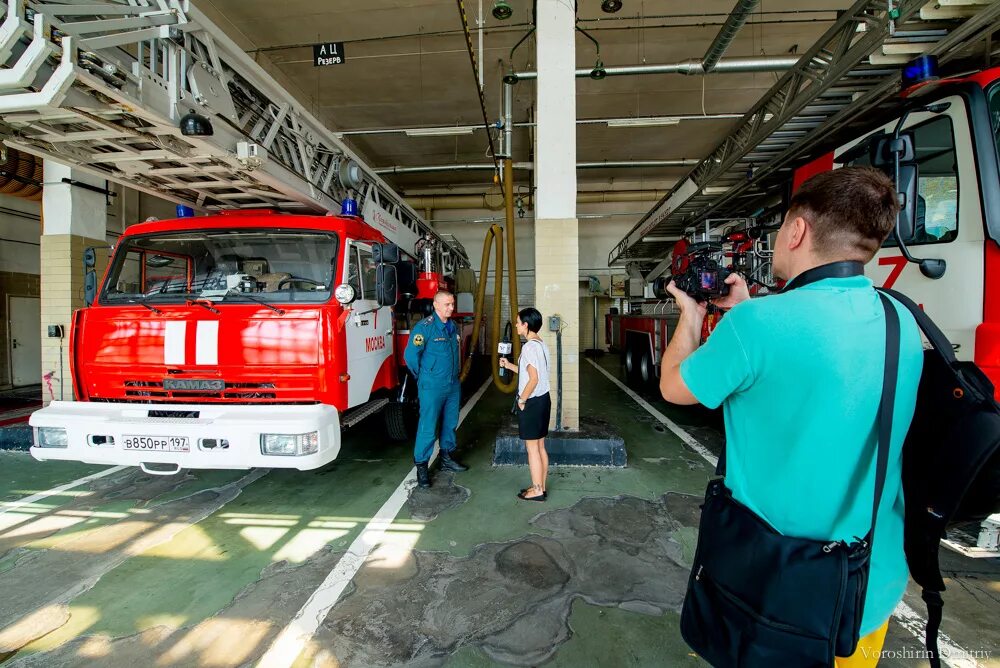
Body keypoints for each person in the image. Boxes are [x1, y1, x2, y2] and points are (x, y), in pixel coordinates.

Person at [659, 167, 924, 668]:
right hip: (867, 585)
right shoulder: (901, 319)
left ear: (798, 230)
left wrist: (693, 318)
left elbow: (674, 386)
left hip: (776, 589)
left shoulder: (757, 324)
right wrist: (748, 311)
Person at [403, 290, 468, 488]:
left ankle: (446, 457)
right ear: (436, 305)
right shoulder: (425, 328)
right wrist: (424, 376)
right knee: (428, 426)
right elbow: (411, 357)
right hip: (432, 386)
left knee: (450, 423)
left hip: (452, 384)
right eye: (447, 304)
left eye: (452, 304)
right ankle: (422, 466)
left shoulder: (453, 327)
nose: (451, 307)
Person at [499, 307, 552, 501]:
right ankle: (541, 486)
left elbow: (533, 379)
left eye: (518, 322)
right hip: (543, 400)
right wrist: (509, 365)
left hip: (531, 402)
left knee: (532, 449)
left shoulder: (529, 347)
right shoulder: (540, 344)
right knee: (540, 446)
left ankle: (537, 490)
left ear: (526, 325)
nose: (515, 325)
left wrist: (522, 400)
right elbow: (529, 372)